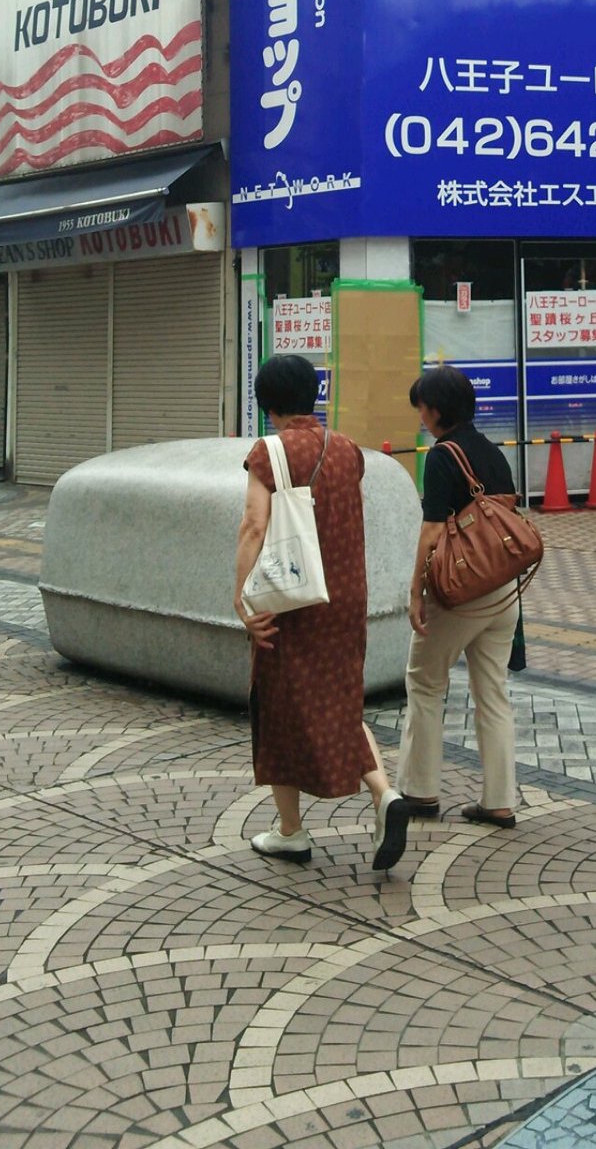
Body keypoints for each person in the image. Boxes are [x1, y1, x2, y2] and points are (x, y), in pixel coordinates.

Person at [234, 353, 410, 870]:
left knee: (277, 703)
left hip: (291, 598)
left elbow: (253, 525)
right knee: (340, 699)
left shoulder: (268, 451)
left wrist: (242, 596)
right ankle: (384, 793)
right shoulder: (347, 449)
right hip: (346, 595)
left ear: (268, 405)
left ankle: (291, 831)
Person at [397, 365, 521, 828]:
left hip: (460, 591)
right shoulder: (492, 452)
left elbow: (432, 531)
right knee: (492, 692)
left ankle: (420, 791)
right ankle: (499, 801)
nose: (420, 417)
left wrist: (416, 590)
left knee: (425, 684)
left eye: (422, 409)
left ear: (436, 410)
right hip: (503, 590)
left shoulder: (442, 456)